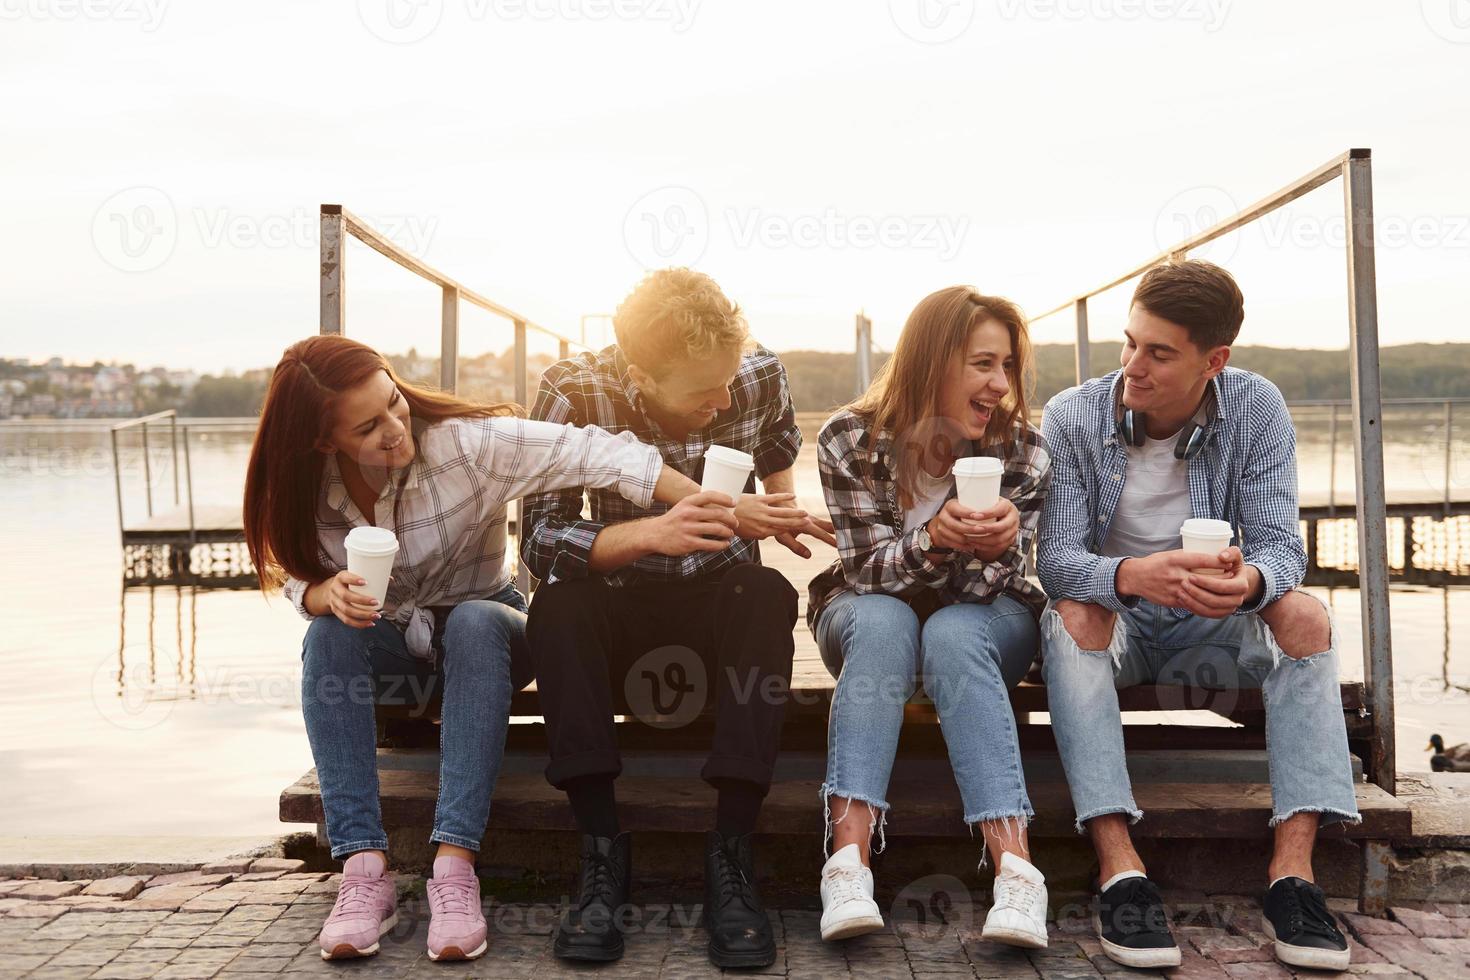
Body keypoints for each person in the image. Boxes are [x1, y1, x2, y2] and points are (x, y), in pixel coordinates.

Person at [243, 334, 709, 962]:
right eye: (368, 426)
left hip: (490, 637)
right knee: (326, 635)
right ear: (325, 441)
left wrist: (719, 507)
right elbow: (287, 567)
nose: (394, 429)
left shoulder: (467, 446)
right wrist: (323, 593)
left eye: (394, 403)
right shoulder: (303, 484)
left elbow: (605, 454)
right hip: (392, 644)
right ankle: (362, 870)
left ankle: (455, 868)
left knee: (472, 622)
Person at [1036, 261, 1357, 972]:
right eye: (1129, 343)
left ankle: (1293, 877)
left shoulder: (1256, 406)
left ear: (1215, 361)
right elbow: (1054, 559)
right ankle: (1120, 870)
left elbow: (1281, 548)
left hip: (1211, 623)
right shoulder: (1072, 415)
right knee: (1070, 613)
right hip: (1116, 622)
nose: (1132, 367)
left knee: (1306, 616)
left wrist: (1248, 583)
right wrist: (1130, 574)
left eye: (1158, 353)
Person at [520, 267, 834, 968]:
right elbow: (540, 539)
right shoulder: (574, 389)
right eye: (701, 392)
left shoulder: (755, 376)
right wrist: (652, 533)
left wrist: (782, 513)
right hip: (617, 603)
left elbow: (778, 445)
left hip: (717, 599)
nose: (723, 400)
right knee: (558, 607)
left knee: (768, 597)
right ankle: (601, 853)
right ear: (640, 374)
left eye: (727, 381)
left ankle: (731, 853)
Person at [808, 287, 1053, 947]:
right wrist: (935, 539)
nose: (1001, 384)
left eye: (1007, 367)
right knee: (887, 620)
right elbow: (863, 574)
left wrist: (999, 544)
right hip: (868, 624)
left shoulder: (1025, 451)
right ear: (931, 360)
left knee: (949, 630)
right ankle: (847, 865)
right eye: (983, 364)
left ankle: (1018, 876)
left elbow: (985, 593)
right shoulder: (847, 438)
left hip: (982, 625)